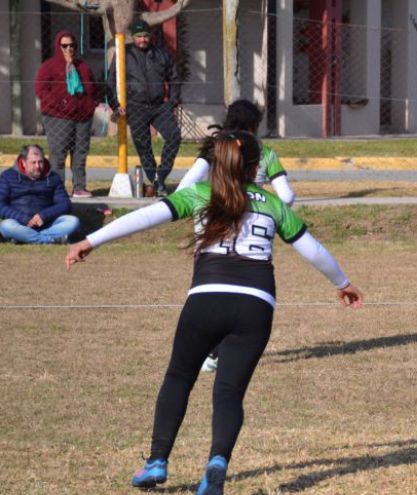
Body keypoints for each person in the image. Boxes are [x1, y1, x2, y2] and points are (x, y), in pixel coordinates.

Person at [65, 130, 363, 495]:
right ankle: (217, 462)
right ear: (255, 168)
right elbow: (314, 250)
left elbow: (144, 217)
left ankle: (157, 461)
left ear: (217, 164)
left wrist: (90, 241)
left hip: (205, 300)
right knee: (229, 391)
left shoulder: (199, 194)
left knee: (179, 376)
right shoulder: (272, 203)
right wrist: (343, 282)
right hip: (256, 305)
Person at [178, 99, 297, 373]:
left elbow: (184, 186)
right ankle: (219, 352)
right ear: (255, 126)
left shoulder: (215, 149)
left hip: (211, 231)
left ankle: (208, 351)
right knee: (247, 297)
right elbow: (287, 196)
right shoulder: (265, 153)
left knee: (207, 290)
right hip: (254, 235)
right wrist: (267, 206)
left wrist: (202, 207)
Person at [107, 20, 181, 196]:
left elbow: (174, 77)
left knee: (174, 136)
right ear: (133, 37)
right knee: (143, 145)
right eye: (139, 36)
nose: (142, 40)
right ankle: (155, 181)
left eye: (146, 36)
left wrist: (172, 101)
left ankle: (160, 177)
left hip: (159, 106)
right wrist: (116, 105)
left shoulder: (161, 54)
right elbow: (110, 81)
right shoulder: (124, 54)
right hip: (135, 106)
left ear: (151, 36)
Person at [34, 30, 100, 198]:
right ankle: (58, 189)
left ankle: (79, 187)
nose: (68, 49)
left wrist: (91, 105)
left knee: (80, 153)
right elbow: (41, 90)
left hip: (82, 118)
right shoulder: (49, 66)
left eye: (71, 45)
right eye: (64, 45)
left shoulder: (83, 67)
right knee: (58, 154)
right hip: (58, 117)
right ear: (58, 46)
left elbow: (93, 89)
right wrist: (61, 104)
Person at [0, 145, 80, 244]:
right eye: (33, 162)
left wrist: (44, 215)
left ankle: (24, 238)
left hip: (48, 223)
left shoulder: (53, 178)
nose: (38, 166)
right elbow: (1, 205)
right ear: (24, 162)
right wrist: (24, 219)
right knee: (6, 226)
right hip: (19, 223)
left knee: (73, 221)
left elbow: (65, 204)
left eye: (40, 162)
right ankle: (50, 239)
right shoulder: (7, 176)